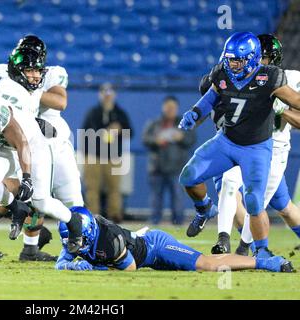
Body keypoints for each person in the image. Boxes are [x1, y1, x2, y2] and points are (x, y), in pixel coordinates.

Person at [178, 31, 300, 260]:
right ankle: (204, 209)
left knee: (255, 201)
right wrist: (195, 113)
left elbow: (295, 100)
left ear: (253, 58)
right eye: (230, 58)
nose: (232, 64)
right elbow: (210, 98)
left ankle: (261, 250)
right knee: (189, 176)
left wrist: (285, 110)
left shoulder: (270, 77)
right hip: (226, 141)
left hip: (257, 147)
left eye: (238, 60)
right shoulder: (223, 72)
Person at [0, 41, 83, 261]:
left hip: (42, 142)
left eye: (36, 70)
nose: (34, 75)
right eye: (28, 69)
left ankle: (65, 233)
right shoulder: (2, 81)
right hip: (8, 140)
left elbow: (59, 102)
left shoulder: (29, 89)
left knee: (45, 198)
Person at [55, 206, 294, 272]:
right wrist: (69, 264)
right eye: (71, 241)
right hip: (146, 256)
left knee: (206, 265)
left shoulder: (109, 237)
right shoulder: (76, 236)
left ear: (89, 232)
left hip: (154, 248)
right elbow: (60, 262)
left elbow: (129, 267)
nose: (74, 246)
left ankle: (266, 262)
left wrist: (92, 269)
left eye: (76, 240)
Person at [81, 83, 133, 223]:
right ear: (100, 94)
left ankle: (114, 216)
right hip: (94, 156)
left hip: (113, 157)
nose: (107, 96)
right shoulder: (94, 113)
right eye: (104, 92)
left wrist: (120, 129)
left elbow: (130, 132)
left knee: (114, 189)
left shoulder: (120, 114)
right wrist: (102, 131)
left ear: (114, 95)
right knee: (92, 189)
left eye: (110, 92)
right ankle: (93, 218)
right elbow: (85, 133)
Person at [142, 96, 195, 225]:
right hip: (157, 168)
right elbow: (145, 139)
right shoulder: (154, 123)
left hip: (177, 168)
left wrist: (181, 137)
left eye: (173, 107)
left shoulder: (184, 124)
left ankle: (178, 223)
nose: (170, 110)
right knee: (156, 198)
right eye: (168, 107)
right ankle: (154, 222)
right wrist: (155, 140)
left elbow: (191, 140)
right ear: (163, 107)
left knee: (177, 198)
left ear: (177, 109)